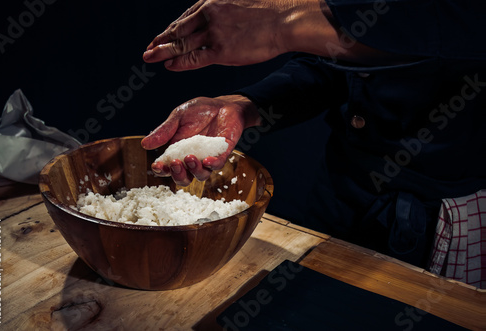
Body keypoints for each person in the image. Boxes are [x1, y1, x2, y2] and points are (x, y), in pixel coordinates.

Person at [140, 0, 486, 268]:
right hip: (338, 195)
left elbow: (459, 25)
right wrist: (244, 105)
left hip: (435, 221)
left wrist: (285, 22)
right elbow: (332, 66)